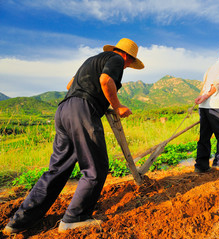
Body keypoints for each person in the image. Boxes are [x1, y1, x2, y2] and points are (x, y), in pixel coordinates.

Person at [4, 38, 144, 234]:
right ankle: (74, 218)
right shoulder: (116, 59)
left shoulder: (92, 60)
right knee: (96, 167)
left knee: (57, 169)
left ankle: (18, 222)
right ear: (127, 56)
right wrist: (118, 106)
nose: (128, 66)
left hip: (64, 110)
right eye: (130, 63)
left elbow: (70, 83)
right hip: (82, 111)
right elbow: (105, 80)